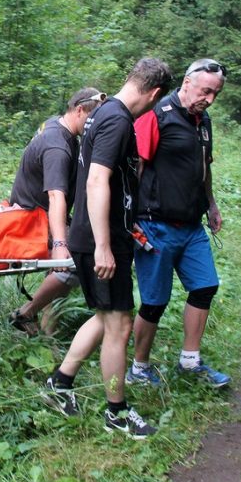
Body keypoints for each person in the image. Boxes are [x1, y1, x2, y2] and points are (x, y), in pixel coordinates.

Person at [41, 58, 173, 440]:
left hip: (104, 234)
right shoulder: (117, 120)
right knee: (119, 324)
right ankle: (116, 412)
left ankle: (60, 383)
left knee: (105, 317)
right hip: (99, 239)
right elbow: (97, 180)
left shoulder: (102, 113)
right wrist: (103, 245)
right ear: (155, 93)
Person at [126, 59, 230, 388]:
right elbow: (135, 169)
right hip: (154, 224)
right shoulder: (156, 115)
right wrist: (128, 220)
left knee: (205, 286)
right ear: (186, 83)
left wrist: (211, 204)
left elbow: (204, 166)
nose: (210, 99)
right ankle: (139, 369)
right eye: (205, 91)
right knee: (155, 302)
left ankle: (190, 361)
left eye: (215, 93)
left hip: (192, 225)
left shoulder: (203, 120)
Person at [7, 88, 107, 336]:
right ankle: (25, 313)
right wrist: (60, 242)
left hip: (36, 213)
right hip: (32, 220)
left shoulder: (56, 125)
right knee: (75, 261)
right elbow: (55, 195)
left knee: (64, 265)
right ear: (79, 110)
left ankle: (47, 332)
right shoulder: (58, 147)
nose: (95, 126)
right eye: (92, 120)